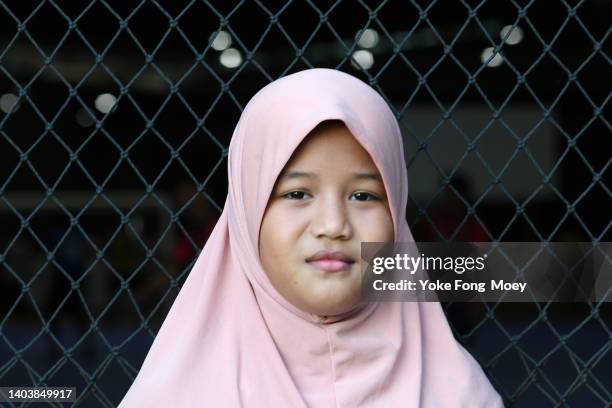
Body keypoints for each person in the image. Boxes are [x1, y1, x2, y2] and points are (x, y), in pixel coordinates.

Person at [118, 68, 503, 407]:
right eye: (297, 194)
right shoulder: (174, 398)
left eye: (364, 196)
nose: (333, 224)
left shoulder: (461, 396)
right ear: (248, 213)